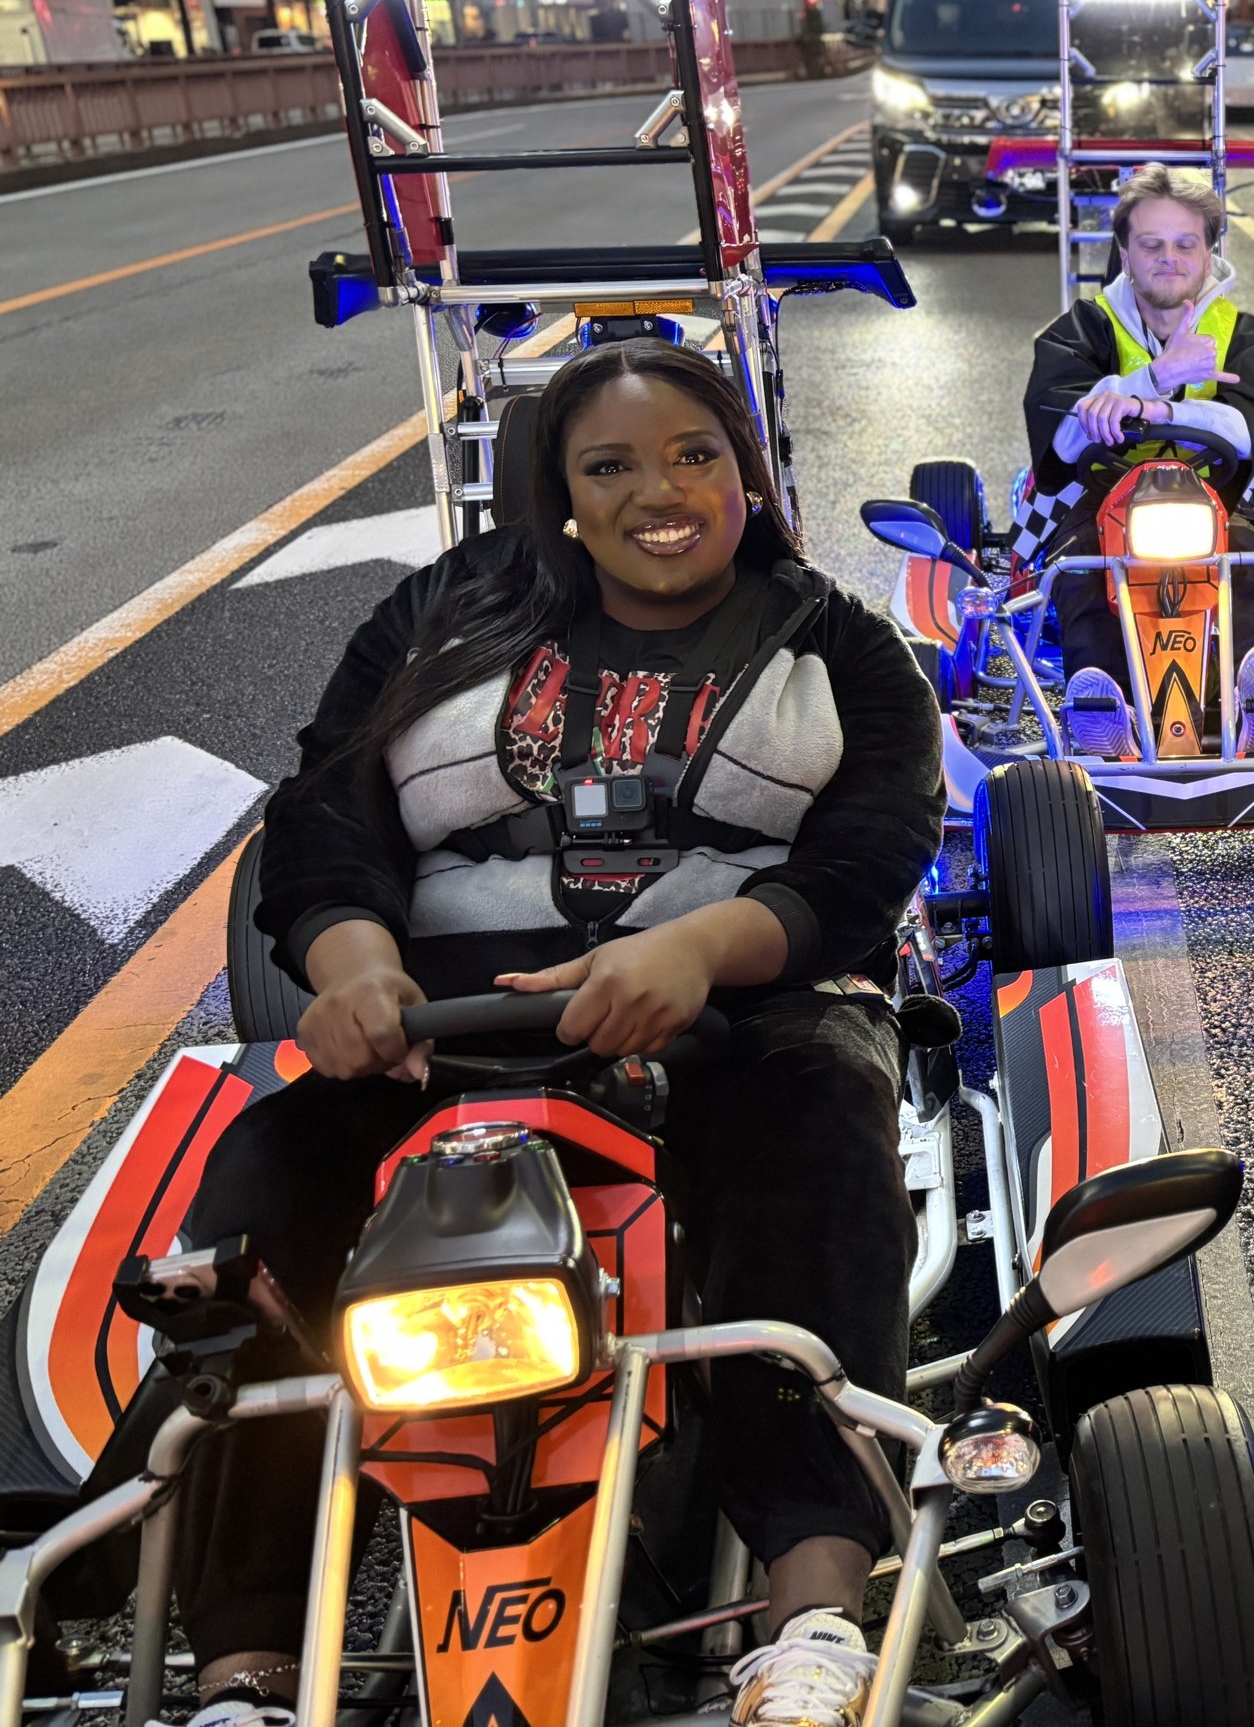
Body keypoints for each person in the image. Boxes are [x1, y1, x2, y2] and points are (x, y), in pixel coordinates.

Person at [180, 341, 945, 1727]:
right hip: (446, 1040)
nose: (663, 489)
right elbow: (326, 817)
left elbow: (868, 858)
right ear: (560, 495)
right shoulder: (436, 623)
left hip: (741, 1023)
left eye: (696, 455)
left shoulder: (839, 645)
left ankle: (813, 1604)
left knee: (820, 1135)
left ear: (747, 472)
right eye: (613, 465)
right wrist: (354, 967)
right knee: (269, 1172)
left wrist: (697, 948)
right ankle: (241, 1663)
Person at [1021, 163, 1254, 756]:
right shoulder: (1079, 331)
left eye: (1183, 244)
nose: (1167, 257)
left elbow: (1248, 431)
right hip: (1099, 500)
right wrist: (1159, 375)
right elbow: (1061, 438)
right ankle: (1101, 708)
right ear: (1124, 250)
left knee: (1252, 559)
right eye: (1150, 244)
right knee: (1078, 571)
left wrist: (1141, 404)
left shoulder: (1247, 335)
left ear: (1208, 251)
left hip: (1215, 495)